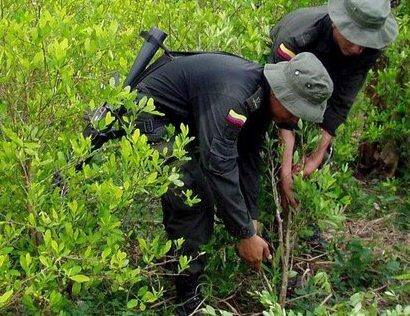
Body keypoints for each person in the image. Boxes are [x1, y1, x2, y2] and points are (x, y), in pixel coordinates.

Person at [132, 51, 333, 313]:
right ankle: (186, 298)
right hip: (147, 114)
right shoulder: (235, 98)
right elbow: (218, 165)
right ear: (280, 93)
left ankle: (183, 270)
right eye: (295, 111)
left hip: (180, 118)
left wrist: (250, 217)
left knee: (203, 184)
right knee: (193, 193)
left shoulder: (260, 96)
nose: (295, 120)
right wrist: (244, 234)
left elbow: (247, 158)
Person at [268, 0, 398, 209]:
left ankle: (305, 219)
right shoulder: (295, 39)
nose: (359, 50)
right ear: (338, 24)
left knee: (318, 157)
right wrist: (285, 171)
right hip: (283, 80)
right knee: (272, 147)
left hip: (324, 83)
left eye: (365, 44)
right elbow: (283, 108)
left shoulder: (369, 47)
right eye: (354, 39)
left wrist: (315, 157)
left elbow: (340, 102)